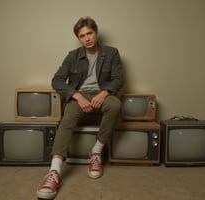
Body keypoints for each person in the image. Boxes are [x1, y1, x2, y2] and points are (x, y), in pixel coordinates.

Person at [36, 16, 124, 199]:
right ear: (79, 38)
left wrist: (103, 93)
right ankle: (54, 172)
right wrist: (77, 96)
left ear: (96, 32)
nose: (87, 38)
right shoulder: (73, 56)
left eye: (90, 33)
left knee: (115, 105)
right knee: (67, 119)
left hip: (102, 95)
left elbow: (118, 79)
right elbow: (57, 80)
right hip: (79, 97)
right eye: (82, 35)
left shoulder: (112, 53)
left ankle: (96, 151)